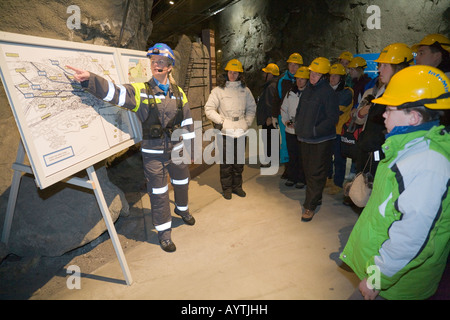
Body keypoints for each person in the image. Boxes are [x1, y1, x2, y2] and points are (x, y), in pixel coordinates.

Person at [66, 43, 195, 253]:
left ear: (170, 66)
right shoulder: (140, 91)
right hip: (154, 154)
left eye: (162, 62)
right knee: (159, 193)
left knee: (182, 182)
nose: (157, 66)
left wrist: (191, 150)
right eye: (154, 62)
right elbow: (114, 93)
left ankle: (182, 210)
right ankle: (164, 234)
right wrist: (91, 79)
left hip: (178, 150)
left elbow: (188, 121)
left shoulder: (179, 92)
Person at [340, 65, 450, 300]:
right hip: (387, 272)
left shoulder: (428, 164)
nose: (383, 115)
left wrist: (375, 278)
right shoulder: (407, 147)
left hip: (396, 286)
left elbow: (413, 237)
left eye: (390, 109)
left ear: (414, 117)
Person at [354, 43, 414, 178]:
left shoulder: (403, 95)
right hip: (372, 154)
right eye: (379, 65)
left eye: (385, 65)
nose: (379, 70)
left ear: (399, 68)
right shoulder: (384, 90)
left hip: (385, 159)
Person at [294, 57, 339, 222]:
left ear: (324, 75)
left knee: (315, 173)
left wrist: (314, 130)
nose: (312, 76)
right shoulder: (308, 90)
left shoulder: (328, 93)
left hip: (320, 140)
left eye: (317, 73)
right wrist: (299, 126)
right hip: (305, 138)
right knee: (308, 171)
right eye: (311, 72)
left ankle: (309, 206)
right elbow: (300, 111)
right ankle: (316, 196)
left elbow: (332, 118)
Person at [204, 59, 256, 200]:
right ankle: (227, 188)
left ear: (240, 74)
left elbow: (252, 108)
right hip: (225, 131)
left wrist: (247, 122)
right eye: (230, 72)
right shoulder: (218, 91)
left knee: (238, 162)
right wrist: (221, 121)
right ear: (226, 73)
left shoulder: (245, 91)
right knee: (226, 162)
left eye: (235, 72)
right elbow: (209, 109)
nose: (232, 75)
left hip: (241, 130)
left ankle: (237, 187)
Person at [273, 53, 303, 176]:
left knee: (299, 143)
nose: (293, 67)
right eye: (291, 64)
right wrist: (274, 115)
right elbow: (277, 98)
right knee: (286, 143)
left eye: (295, 65)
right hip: (284, 116)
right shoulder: (282, 80)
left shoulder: (304, 79)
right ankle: (288, 168)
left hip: (300, 118)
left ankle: (299, 169)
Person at [325, 63, 354, 195]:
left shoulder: (347, 92)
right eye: (331, 75)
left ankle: (338, 183)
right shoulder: (326, 89)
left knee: (339, 159)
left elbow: (336, 110)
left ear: (342, 78)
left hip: (339, 130)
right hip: (327, 130)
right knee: (326, 156)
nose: (332, 78)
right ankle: (329, 178)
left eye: (336, 76)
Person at [280, 66, 309, 188]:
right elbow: (284, 109)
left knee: (302, 156)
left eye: (302, 79)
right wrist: (286, 121)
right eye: (297, 79)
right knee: (292, 155)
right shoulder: (290, 93)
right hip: (290, 130)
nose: (299, 81)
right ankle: (292, 177)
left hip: (303, 131)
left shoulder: (309, 94)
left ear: (307, 80)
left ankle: (302, 179)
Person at [256, 63, 279, 167]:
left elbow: (271, 103)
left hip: (268, 119)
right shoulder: (272, 85)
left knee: (269, 139)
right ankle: (272, 159)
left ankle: (270, 160)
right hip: (268, 118)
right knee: (271, 139)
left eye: (266, 73)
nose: (263, 75)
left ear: (270, 74)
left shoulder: (271, 86)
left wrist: (270, 117)